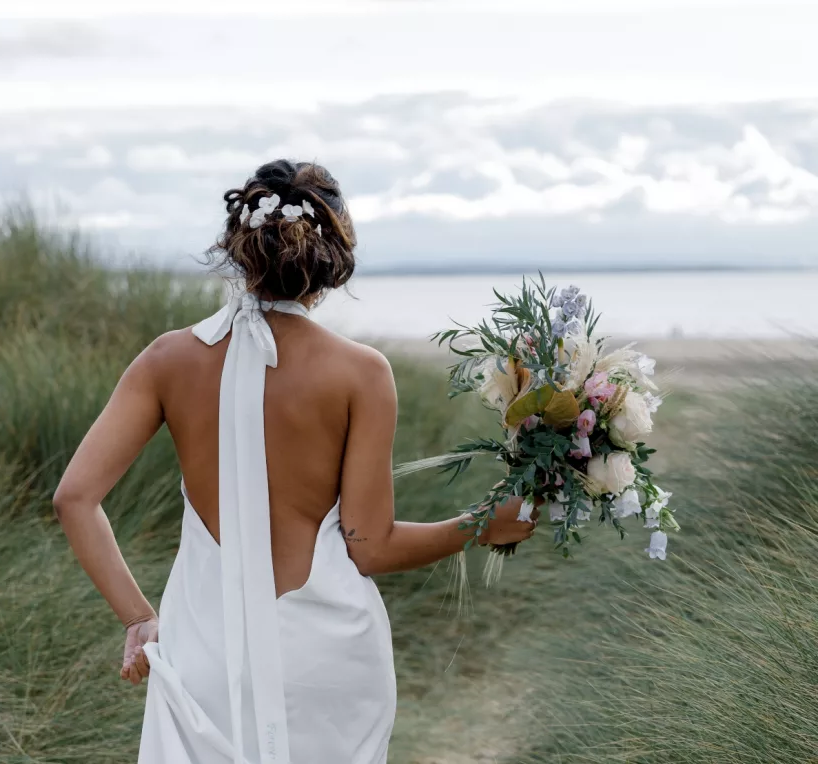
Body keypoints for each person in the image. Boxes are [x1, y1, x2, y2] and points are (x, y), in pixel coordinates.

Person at [52, 159, 538, 763]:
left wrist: (139, 618)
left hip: (205, 651)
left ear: (239, 245)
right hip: (326, 655)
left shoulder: (165, 359)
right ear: (333, 255)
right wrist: (479, 527)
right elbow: (371, 546)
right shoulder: (362, 373)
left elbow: (74, 498)